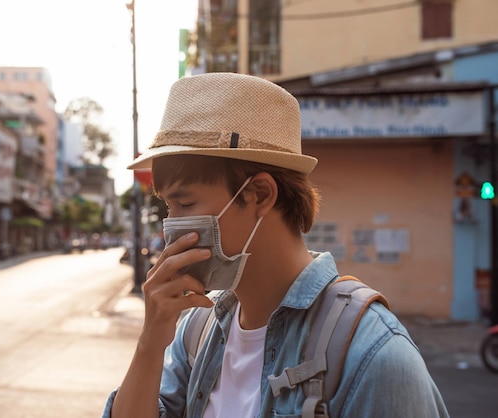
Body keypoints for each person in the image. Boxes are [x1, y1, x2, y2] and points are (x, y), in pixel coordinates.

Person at [103, 73, 449, 417]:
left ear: (260, 195)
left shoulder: (373, 356)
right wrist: (150, 343)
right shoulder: (197, 330)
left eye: (187, 204)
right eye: (168, 207)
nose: (172, 225)